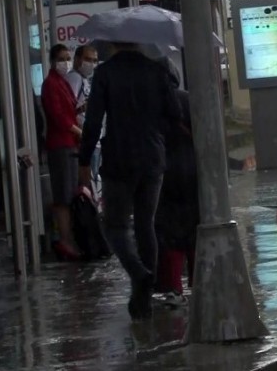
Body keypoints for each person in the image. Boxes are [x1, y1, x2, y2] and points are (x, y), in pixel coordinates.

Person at [78, 42, 181, 320]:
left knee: (116, 226)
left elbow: (93, 120)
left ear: (113, 42)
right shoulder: (156, 70)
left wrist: (84, 159)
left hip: (118, 159)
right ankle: (143, 298)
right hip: (152, 159)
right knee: (146, 225)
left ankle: (138, 273)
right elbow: (175, 114)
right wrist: (157, 136)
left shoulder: (106, 73)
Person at [154, 86, 199, 308]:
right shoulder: (187, 99)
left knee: (170, 233)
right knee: (194, 229)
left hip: (165, 171)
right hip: (192, 169)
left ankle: (174, 288)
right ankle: (197, 283)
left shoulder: (154, 102)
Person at [40, 44, 83, 261]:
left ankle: (70, 238)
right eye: (62, 59)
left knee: (71, 192)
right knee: (64, 195)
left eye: (68, 58)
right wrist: (77, 130)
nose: (65, 63)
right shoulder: (50, 85)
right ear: (53, 61)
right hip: (60, 144)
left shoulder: (62, 83)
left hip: (70, 143)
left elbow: (68, 110)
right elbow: (58, 116)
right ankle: (65, 239)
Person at [67, 45, 102, 181]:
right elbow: (69, 110)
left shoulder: (84, 79)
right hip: (84, 138)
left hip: (91, 139)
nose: (91, 64)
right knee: (88, 183)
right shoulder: (74, 78)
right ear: (77, 59)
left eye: (95, 60)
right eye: (88, 59)